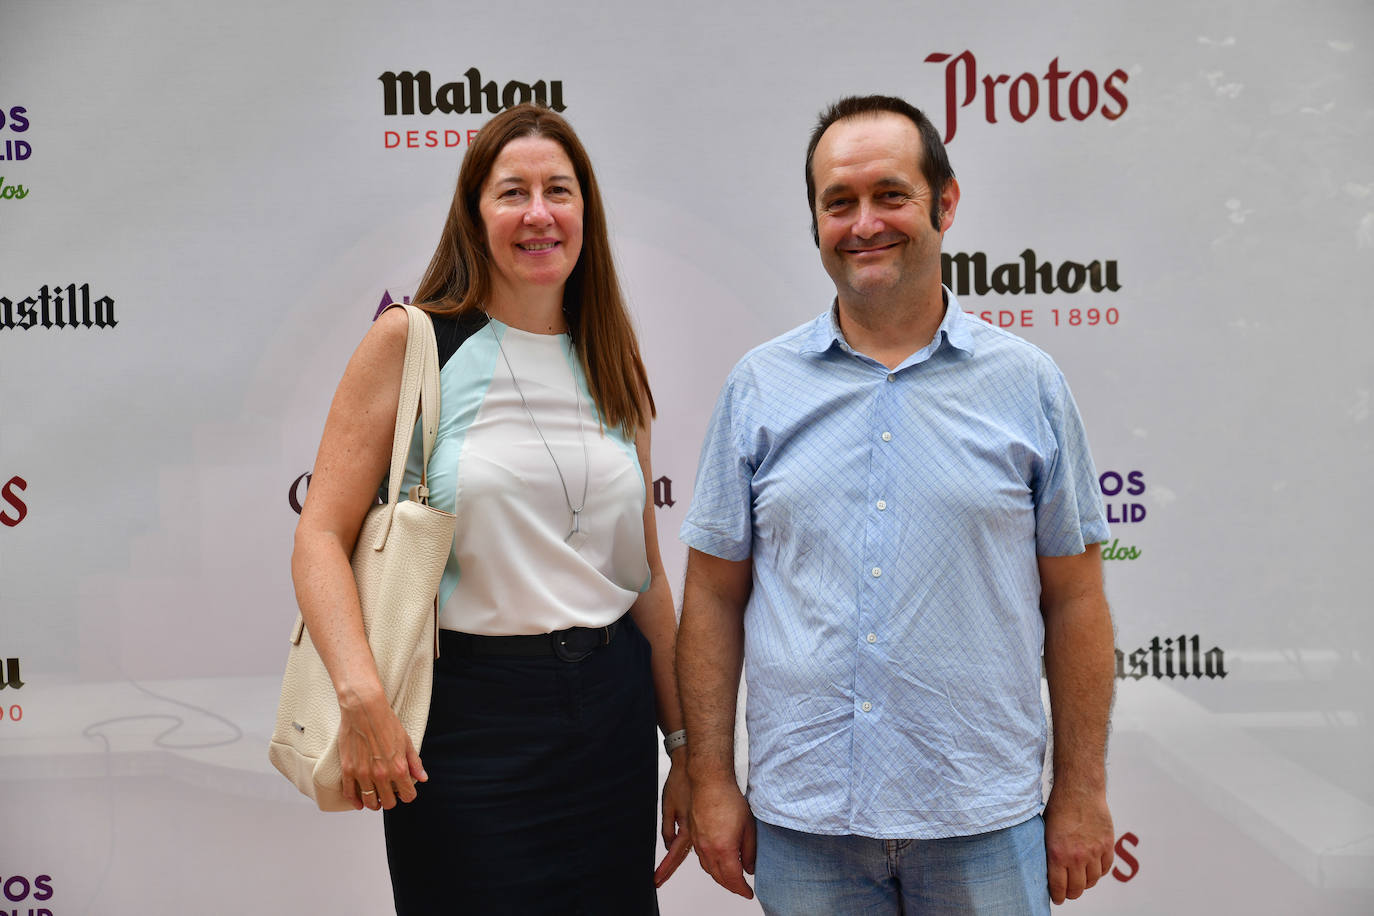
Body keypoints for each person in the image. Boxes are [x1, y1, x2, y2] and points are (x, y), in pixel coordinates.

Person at [676, 94, 1116, 914]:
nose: (864, 222)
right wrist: (710, 778)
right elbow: (710, 596)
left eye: (891, 195)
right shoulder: (759, 389)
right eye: (838, 202)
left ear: (944, 203)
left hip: (982, 818)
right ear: (814, 222)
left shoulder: (1027, 385)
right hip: (805, 824)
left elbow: (1078, 598)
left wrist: (1083, 790)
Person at [291, 102, 690, 915]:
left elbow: (644, 574)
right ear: (476, 215)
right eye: (513, 192)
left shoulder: (614, 360)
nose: (538, 214)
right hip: (467, 724)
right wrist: (363, 696)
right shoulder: (412, 343)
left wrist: (686, 747)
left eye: (559, 191)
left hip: (611, 722)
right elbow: (319, 537)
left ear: (587, 213)